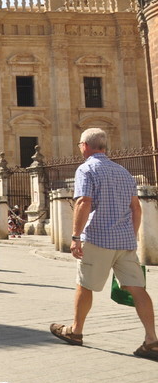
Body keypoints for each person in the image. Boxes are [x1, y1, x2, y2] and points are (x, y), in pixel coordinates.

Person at [50, 128, 157, 359]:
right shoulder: (124, 172)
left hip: (97, 238)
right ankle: (152, 339)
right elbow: (136, 208)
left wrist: (76, 237)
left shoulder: (86, 169)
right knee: (138, 289)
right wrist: (131, 235)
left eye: (80, 144)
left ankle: (76, 331)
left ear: (86, 146)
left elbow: (83, 202)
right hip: (125, 241)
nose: (80, 148)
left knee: (84, 285)